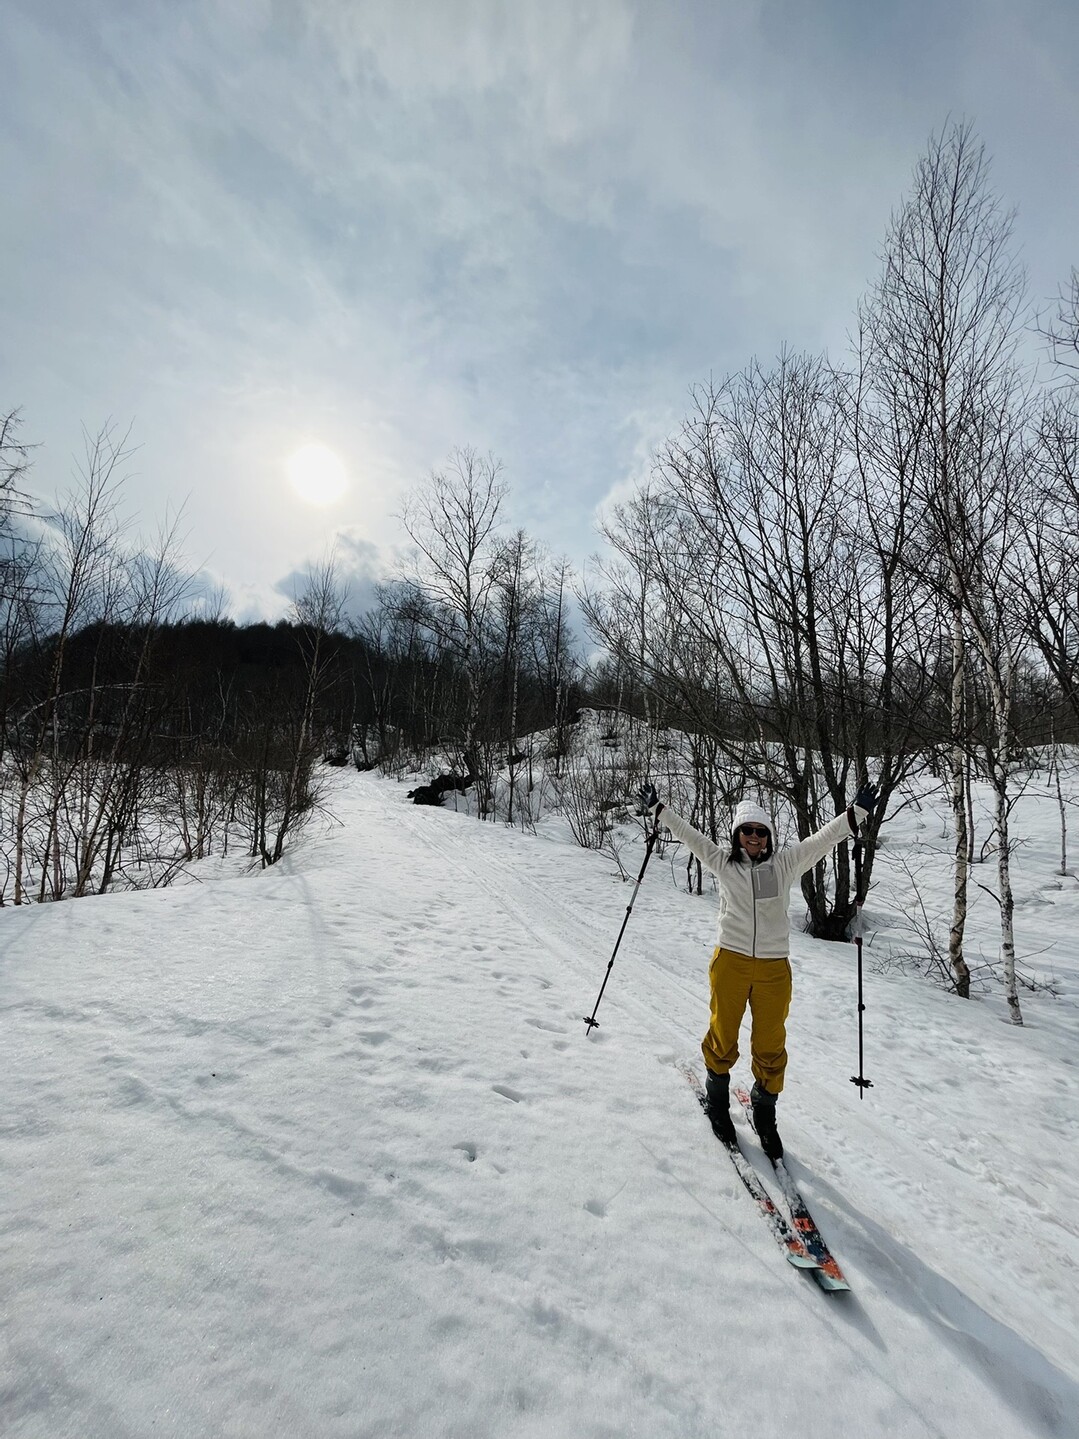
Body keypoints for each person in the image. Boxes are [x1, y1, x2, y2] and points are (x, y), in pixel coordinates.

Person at [636, 781, 877, 1160]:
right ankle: (717, 1099)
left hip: (773, 968)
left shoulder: (784, 865)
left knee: (770, 1041)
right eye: (747, 830)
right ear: (737, 834)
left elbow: (822, 840)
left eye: (760, 832)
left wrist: (856, 814)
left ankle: (765, 1111)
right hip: (730, 961)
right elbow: (689, 836)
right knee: (723, 1030)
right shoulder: (722, 862)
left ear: (768, 838)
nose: (753, 837)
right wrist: (659, 810)